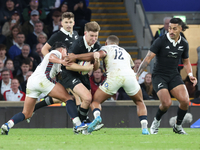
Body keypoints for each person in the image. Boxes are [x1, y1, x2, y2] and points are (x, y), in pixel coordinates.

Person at [1, 42, 88, 135]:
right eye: (66, 52)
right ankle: (78, 125)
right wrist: (62, 61)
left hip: (31, 83)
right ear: (62, 50)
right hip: (43, 80)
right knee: (69, 98)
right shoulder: (56, 53)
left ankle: (7, 125)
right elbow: (51, 57)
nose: (66, 55)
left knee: (27, 113)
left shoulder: (57, 64)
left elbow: (60, 76)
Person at [72, 35, 149, 134]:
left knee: (95, 101)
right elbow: (132, 66)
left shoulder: (105, 48)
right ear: (118, 44)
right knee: (139, 102)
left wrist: (76, 56)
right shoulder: (125, 52)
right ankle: (144, 128)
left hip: (114, 77)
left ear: (106, 43)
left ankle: (97, 117)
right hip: (130, 77)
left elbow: (96, 55)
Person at [136, 18, 197, 134]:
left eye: (174, 28)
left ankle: (178, 126)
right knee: (166, 103)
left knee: (185, 101)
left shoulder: (184, 43)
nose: (171, 31)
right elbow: (148, 58)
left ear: (180, 29)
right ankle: (156, 122)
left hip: (174, 75)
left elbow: (186, 61)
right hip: (159, 75)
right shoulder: (160, 41)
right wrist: (137, 75)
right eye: (169, 28)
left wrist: (190, 75)